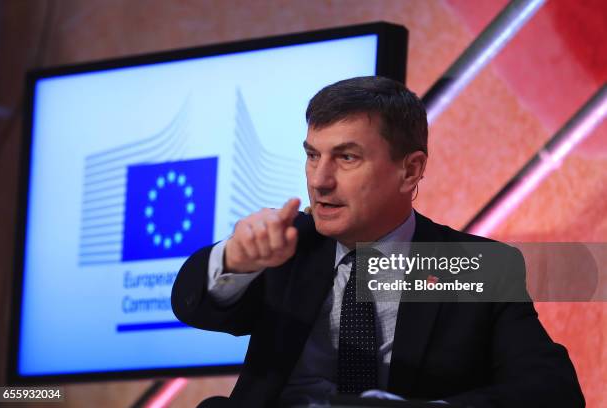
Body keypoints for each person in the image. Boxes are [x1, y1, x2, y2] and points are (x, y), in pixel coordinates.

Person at [171, 76, 584, 407]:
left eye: (346, 157)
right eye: (313, 155)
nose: (319, 179)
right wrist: (235, 260)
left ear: (410, 170)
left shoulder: (475, 268)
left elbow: (552, 391)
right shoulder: (288, 245)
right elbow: (196, 306)